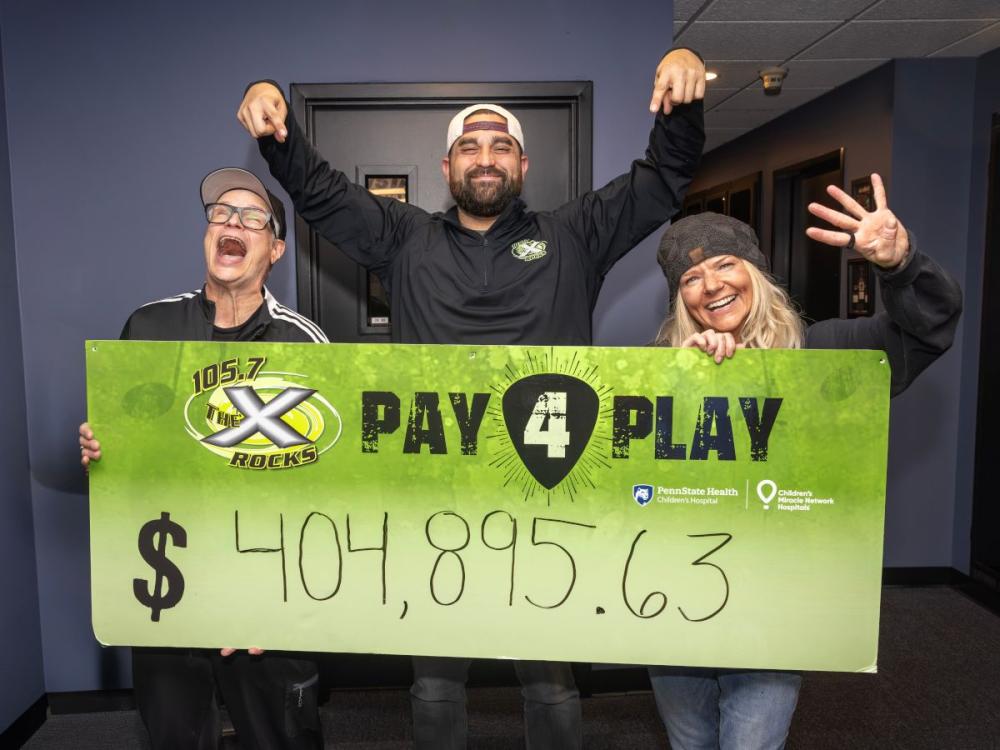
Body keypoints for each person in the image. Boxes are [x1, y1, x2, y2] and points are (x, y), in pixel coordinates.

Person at [236, 47, 706, 749]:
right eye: (469, 146)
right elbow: (322, 193)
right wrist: (274, 121)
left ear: (521, 166)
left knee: (548, 681)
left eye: (501, 146)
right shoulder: (404, 238)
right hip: (436, 496)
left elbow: (662, 182)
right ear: (449, 166)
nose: (485, 157)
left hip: (546, 492)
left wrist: (685, 86)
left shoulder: (572, 235)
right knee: (434, 682)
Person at [648, 173, 962, 750]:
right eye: (690, 278)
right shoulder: (656, 372)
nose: (710, 285)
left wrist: (901, 265)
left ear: (756, 275)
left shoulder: (829, 358)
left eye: (725, 265)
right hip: (675, 600)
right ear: (679, 300)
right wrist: (680, 384)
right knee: (689, 742)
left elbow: (927, 332)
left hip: (776, 603)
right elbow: (627, 487)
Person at [80, 167, 327, 750]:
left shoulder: (305, 344)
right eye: (220, 213)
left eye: (251, 217)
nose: (232, 222)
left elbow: (326, 485)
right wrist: (100, 451)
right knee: (174, 735)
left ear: (276, 248)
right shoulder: (147, 327)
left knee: (282, 737)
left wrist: (277, 600)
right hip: (170, 578)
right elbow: (124, 455)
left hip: (267, 593)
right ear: (207, 235)